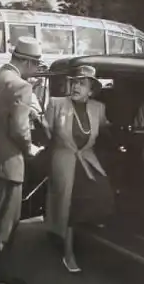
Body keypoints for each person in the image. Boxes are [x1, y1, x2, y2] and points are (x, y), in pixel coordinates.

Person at [0, 36, 44, 284]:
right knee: (6, 220)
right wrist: (30, 149)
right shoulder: (21, 86)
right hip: (9, 162)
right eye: (36, 64)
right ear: (27, 62)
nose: (36, 70)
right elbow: (19, 129)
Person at [44, 65, 115, 273]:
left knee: (104, 193)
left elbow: (105, 132)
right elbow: (47, 135)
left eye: (81, 84)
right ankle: (68, 254)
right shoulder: (56, 104)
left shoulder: (98, 108)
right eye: (74, 82)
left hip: (87, 160)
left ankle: (86, 241)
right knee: (71, 204)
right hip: (64, 160)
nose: (76, 86)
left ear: (91, 90)